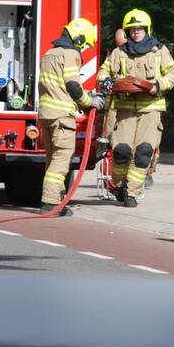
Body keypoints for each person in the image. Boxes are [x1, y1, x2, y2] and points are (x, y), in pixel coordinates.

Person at [97, 8, 174, 207]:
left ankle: (131, 192)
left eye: (140, 28)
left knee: (144, 152)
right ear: (127, 32)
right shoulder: (119, 53)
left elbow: (173, 73)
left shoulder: (159, 50)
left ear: (147, 29)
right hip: (125, 111)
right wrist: (106, 82)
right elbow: (102, 73)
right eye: (132, 29)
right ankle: (117, 184)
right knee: (121, 151)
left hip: (151, 110)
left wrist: (157, 85)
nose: (136, 32)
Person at [37, 17, 104, 215]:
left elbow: (57, 85)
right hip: (61, 116)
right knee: (61, 159)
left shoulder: (50, 53)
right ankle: (50, 203)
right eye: (84, 44)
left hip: (46, 114)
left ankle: (57, 199)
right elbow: (72, 85)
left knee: (52, 159)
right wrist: (89, 102)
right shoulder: (70, 53)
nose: (83, 49)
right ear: (79, 37)